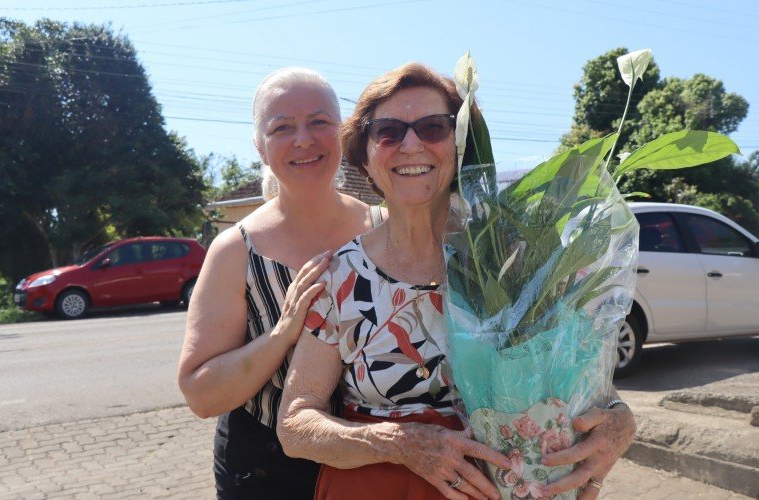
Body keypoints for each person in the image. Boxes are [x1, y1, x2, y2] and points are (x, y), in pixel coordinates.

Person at [277, 62, 636, 500]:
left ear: (461, 146)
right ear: (364, 156)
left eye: (433, 128)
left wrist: (619, 420)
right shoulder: (341, 276)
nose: (411, 144)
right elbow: (295, 424)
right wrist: (400, 443)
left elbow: (578, 377)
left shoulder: (513, 258)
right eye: (388, 131)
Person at [177, 67, 383, 499]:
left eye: (319, 122)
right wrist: (282, 333)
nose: (303, 139)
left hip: (375, 461)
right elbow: (201, 394)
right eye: (282, 127)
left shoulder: (383, 229)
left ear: (342, 131)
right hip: (266, 471)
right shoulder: (236, 250)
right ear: (260, 146)